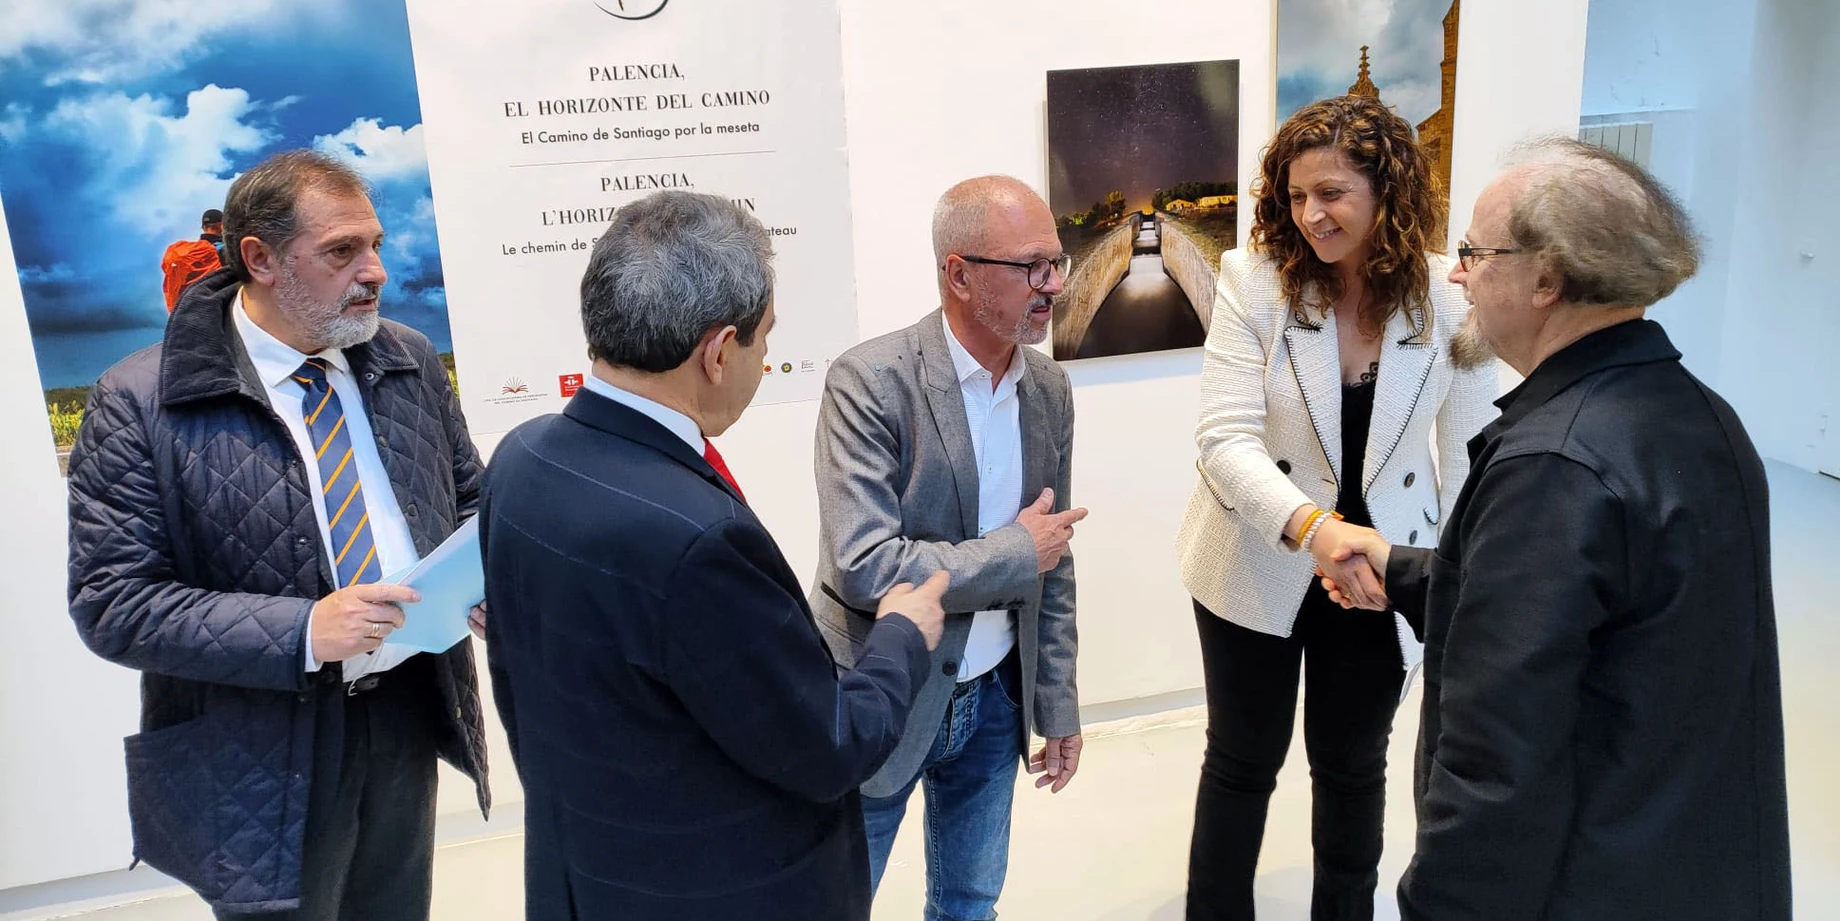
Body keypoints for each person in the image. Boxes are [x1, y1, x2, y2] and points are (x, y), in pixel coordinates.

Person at [1316, 138, 1792, 921]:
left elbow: (1497, 761)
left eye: (1473, 250)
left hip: (1583, 881)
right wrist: (1398, 566)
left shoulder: (1555, 463)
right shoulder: (1702, 414)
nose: (1457, 272)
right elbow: (1595, 615)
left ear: (1547, 276)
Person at [480, 190, 949, 921]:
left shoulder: (522, 458)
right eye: (764, 340)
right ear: (719, 350)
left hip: (590, 872)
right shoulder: (694, 539)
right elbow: (831, 744)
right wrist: (901, 633)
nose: (765, 361)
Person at [68, 150, 489, 920]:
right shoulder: (139, 400)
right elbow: (112, 602)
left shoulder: (409, 358)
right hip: (258, 744)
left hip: (405, 710)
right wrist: (302, 628)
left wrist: (490, 580)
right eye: (341, 252)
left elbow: (469, 500)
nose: (375, 273)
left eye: (376, 246)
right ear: (258, 258)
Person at [1174, 95, 1495, 921]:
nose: (1310, 215)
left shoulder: (1450, 298)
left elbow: (1468, 461)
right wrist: (1319, 530)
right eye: (1294, 196)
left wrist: (1452, 584)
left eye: (1332, 193)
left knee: (1354, 767)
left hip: (1384, 570)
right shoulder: (1254, 283)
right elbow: (1224, 440)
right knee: (1241, 761)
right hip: (1262, 549)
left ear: (1387, 190)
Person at [813, 174, 1087, 920]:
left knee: (970, 903)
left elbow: (1054, 561)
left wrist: (1055, 700)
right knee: (835, 900)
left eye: (1057, 262)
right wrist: (1013, 552)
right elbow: (868, 564)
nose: (1053, 284)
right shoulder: (870, 382)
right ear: (958, 273)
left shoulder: (1051, 390)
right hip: (878, 694)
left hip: (998, 694)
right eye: (1031, 266)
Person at [161, 207, 226, 312]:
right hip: (214, 310)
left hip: (184, 312)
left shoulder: (190, 252)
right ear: (222, 226)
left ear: (204, 227)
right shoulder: (222, 251)